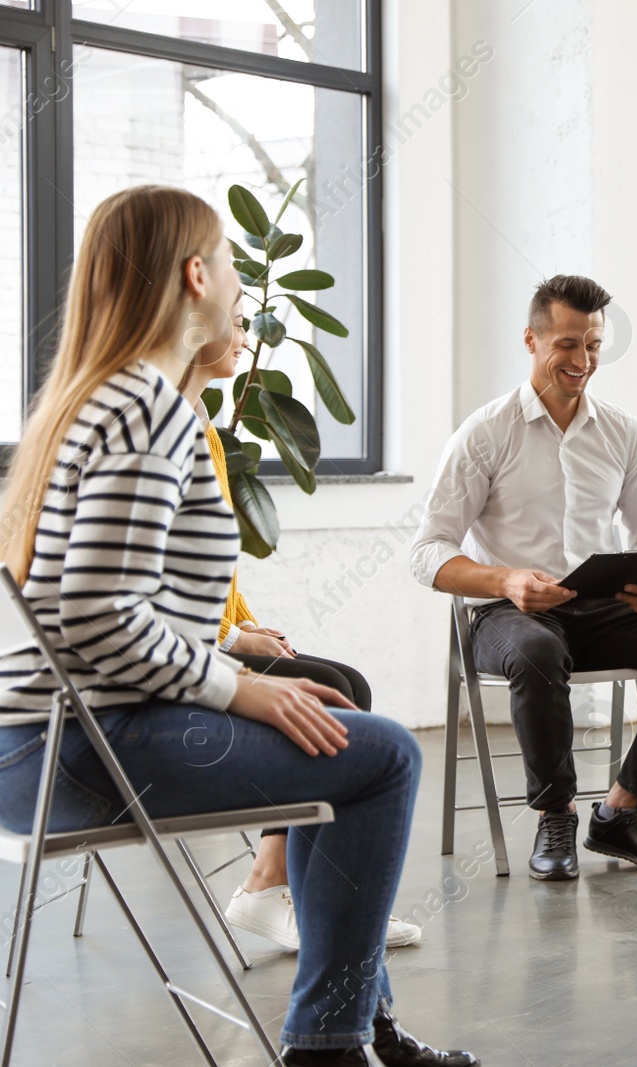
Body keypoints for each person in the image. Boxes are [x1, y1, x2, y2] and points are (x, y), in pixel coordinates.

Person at [0, 185, 476, 1067]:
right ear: (195, 274)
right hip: (82, 750)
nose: (234, 281)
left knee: (332, 710)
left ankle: (360, 1024)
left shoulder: (98, 397)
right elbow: (102, 618)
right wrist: (239, 686)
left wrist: (236, 669)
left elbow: (102, 610)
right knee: (384, 756)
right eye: (224, 259)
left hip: (43, 746)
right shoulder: (146, 408)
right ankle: (329, 1045)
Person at [410, 273, 637, 881]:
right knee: (538, 647)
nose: (582, 359)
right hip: (508, 617)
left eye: (592, 345)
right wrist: (508, 581)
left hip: (599, 610)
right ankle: (555, 813)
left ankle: (620, 811)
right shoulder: (485, 434)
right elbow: (428, 552)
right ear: (532, 340)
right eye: (568, 343)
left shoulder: (624, 434)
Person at [175, 318, 422, 952]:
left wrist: (241, 625)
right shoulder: (161, 434)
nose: (245, 334)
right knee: (334, 691)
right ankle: (285, 892)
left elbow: (205, 575)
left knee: (349, 683)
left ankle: (285, 888)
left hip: (204, 646)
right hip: (178, 674)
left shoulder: (199, 425)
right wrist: (229, 645)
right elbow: (150, 599)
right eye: (233, 319)